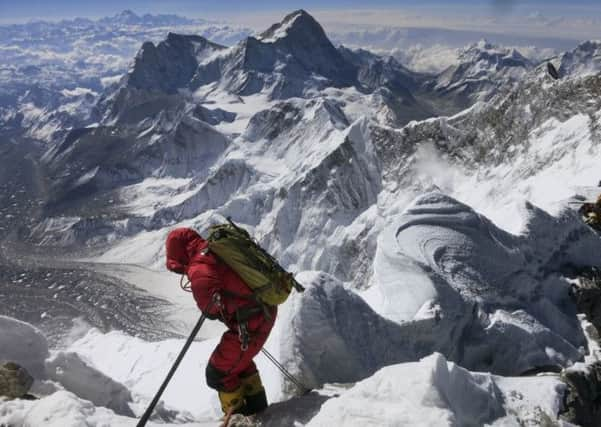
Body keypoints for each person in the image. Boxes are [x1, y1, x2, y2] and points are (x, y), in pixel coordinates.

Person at [165, 227, 276, 418]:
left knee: (218, 373)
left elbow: (210, 309)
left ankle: (238, 420)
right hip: (260, 313)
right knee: (239, 366)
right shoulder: (214, 250)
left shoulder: (199, 266)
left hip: (251, 321)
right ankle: (260, 413)